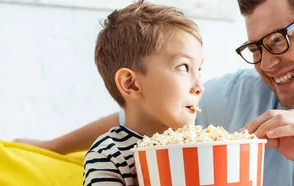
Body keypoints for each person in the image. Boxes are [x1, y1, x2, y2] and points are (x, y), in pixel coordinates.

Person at [17, 0, 294, 185]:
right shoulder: (238, 94)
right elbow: (148, 115)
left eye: (279, 40)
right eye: (256, 47)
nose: (268, 63)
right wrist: (51, 147)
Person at [80, 1, 205, 185]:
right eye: (183, 67)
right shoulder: (109, 155)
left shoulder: (203, 147)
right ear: (131, 84)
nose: (199, 86)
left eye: (199, 70)